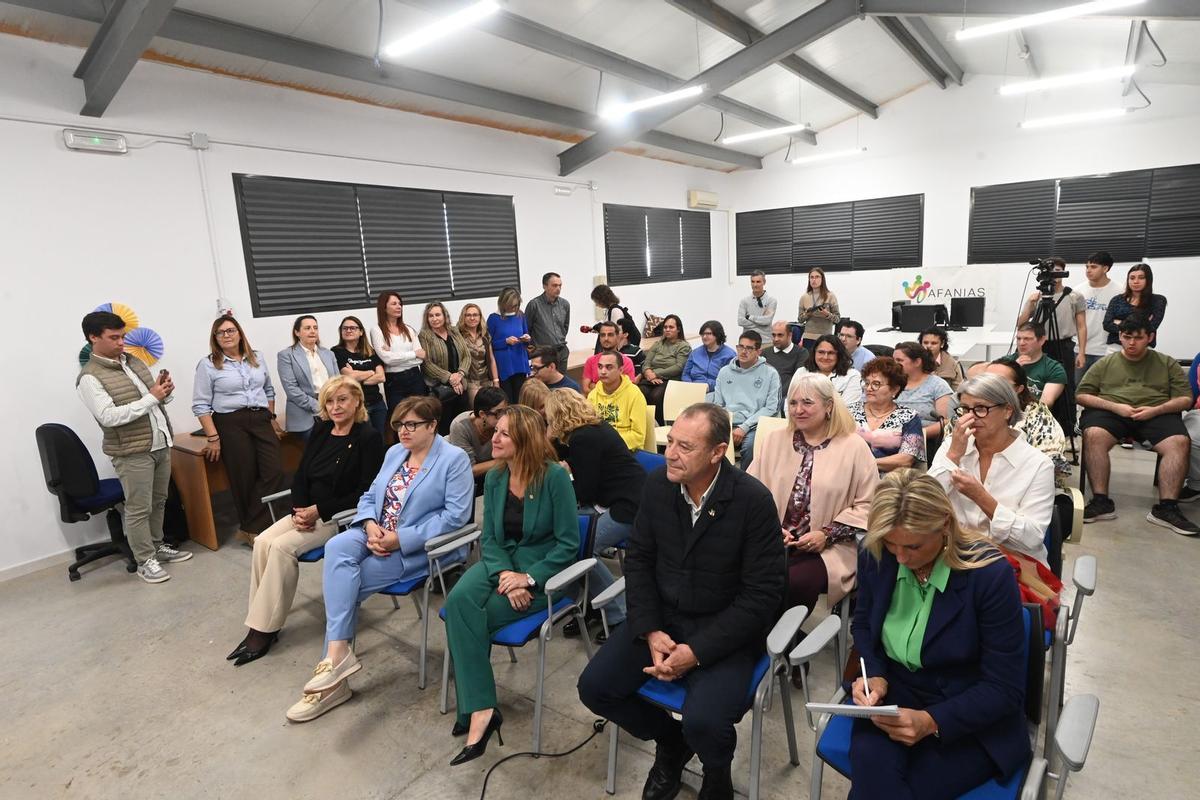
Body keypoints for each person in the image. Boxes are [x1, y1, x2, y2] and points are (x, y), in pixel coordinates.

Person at [577, 403, 785, 800]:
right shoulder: (658, 486)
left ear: (717, 452)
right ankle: (670, 743)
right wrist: (651, 628)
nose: (670, 452)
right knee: (595, 689)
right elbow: (638, 562)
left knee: (705, 722)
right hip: (663, 619)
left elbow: (762, 596)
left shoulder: (752, 502)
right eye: (670, 441)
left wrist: (697, 651)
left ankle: (717, 773)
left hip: (724, 631)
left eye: (685, 447)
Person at [286, 395, 472, 723]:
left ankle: (331, 679)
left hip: (421, 546)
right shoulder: (395, 452)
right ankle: (337, 660)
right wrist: (371, 525)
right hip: (377, 529)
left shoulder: (453, 459)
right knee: (338, 547)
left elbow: (455, 517)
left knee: (344, 586)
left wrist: (400, 538)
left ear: (432, 426)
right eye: (399, 424)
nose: (403, 431)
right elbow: (370, 495)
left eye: (412, 425)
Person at [848, 470, 1030, 800]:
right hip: (894, 696)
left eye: (913, 546)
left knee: (886, 791)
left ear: (945, 524)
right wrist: (873, 673)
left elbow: (1004, 687)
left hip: (969, 710)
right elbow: (862, 624)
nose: (900, 557)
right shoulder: (876, 553)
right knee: (876, 781)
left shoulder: (988, 574)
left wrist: (933, 721)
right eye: (891, 543)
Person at [443, 406, 578, 764]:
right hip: (499, 562)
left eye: (504, 433)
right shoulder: (495, 477)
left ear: (525, 440)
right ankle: (483, 708)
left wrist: (529, 579)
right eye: (496, 430)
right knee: (457, 603)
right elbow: (489, 537)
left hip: (543, 571)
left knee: (475, 618)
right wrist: (506, 575)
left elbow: (568, 545)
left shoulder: (554, 478)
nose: (495, 438)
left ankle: (478, 712)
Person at [230, 377, 383, 667]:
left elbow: (366, 492)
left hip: (336, 516)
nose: (335, 407)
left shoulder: (368, 438)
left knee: (281, 548)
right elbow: (300, 474)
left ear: (357, 402)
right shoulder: (323, 429)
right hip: (305, 510)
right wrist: (300, 507)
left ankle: (263, 630)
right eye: (330, 401)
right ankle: (261, 619)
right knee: (262, 541)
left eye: (342, 400)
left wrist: (318, 510)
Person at [748, 373, 877, 684]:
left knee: (792, 582)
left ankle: (780, 650)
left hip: (830, 547)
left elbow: (871, 505)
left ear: (829, 406)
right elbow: (752, 490)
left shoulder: (854, 447)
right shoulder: (775, 440)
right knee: (743, 572)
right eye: (792, 402)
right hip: (774, 539)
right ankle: (788, 647)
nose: (798, 409)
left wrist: (827, 533)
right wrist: (770, 526)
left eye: (807, 402)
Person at [77, 311, 192, 584]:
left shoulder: (133, 361)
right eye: (114, 338)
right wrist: (152, 398)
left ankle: (157, 546)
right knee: (139, 508)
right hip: (131, 451)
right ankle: (144, 560)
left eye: (123, 336)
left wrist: (164, 391)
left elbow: (153, 400)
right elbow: (109, 417)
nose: (121, 343)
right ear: (93, 338)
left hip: (159, 442)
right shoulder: (89, 377)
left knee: (159, 501)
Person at [1076, 315, 1198, 534]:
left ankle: (1167, 508)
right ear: (1120, 337)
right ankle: (1101, 501)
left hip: (1155, 412)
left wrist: (1157, 410)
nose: (1132, 343)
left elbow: (1185, 399)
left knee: (1179, 442)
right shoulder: (1106, 363)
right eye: (1127, 337)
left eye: (1138, 338)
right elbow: (1082, 395)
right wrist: (1115, 407)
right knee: (1093, 434)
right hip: (1113, 412)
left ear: (1150, 337)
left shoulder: (1166, 363)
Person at [545, 389, 647, 641]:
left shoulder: (584, 438)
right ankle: (591, 604)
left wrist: (562, 483)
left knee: (579, 549)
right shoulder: (589, 430)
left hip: (629, 506)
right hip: (614, 499)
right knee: (568, 541)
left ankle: (618, 613)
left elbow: (585, 490)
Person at [928, 374, 1055, 567]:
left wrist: (981, 497)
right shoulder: (954, 446)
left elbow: (1031, 538)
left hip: (1011, 562)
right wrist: (953, 456)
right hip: (954, 555)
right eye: (965, 410)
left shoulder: (1037, 464)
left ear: (1007, 411)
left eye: (980, 409)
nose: (970, 418)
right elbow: (924, 501)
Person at [193, 315, 285, 543]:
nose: (226, 335)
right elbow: (200, 404)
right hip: (231, 423)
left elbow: (269, 390)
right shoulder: (208, 364)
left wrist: (272, 418)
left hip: (261, 418)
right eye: (221, 332)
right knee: (243, 476)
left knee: (273, 471)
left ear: (239, 333)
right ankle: (256, 531)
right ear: (215, 338)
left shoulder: (257, 357)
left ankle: (249, 527)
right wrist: (213, 437)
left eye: (231, 330)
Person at [711, 331, 781, 468]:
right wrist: (726, 425)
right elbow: (718, 405)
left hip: (755, 425)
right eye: (740, 347)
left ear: (758, 351)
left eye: (749, 348)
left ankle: (744, 483)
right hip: (729, 422)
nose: (743, 351)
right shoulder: (724, 372)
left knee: (750, 447)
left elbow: (772, 408)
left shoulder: (770, 373)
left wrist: (744, 427)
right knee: (707, 440)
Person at [848, 357, 926, 472]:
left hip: (890, 483)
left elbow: (906, 459)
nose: (869, 388)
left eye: (876, 384)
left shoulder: (909, 417)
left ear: (894, 389)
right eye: (867, 383)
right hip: (850, 476)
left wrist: (866, 464)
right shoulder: (849, 412)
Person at [369, 291, 427, 440]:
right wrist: (412, 354)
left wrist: (398, 356)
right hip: (394, 381)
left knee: (421, 416)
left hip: (415, 377)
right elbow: (387, 359)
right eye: (394, 304)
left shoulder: (408, 329)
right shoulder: (377, 330)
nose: (399, 306)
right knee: (399, 421)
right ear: (384, 307)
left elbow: (421, 358)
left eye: (400, 303)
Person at [1016, 259, 1087, 373]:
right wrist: (1030, 303)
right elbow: (1020, 325)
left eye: (1057, 270)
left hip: (1064, 346)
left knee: (1065, 379)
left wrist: (1082, 352)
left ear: (1063, 272)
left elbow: (1081, 326)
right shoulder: (1037, 297)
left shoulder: (1074, 296)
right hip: (1038, 345)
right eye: (1051, 270)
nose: (1054, 273)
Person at [277, 315, 338, 440]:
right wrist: (321, 407)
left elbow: (338, 382)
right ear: (297, 332)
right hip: (305, 415)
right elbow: (292, 390)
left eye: (315, 328)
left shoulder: (328, 354)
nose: (312, 331)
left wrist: (332, 406)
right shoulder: (286, 355)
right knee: (320, 452)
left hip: (332, 408)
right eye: (307, 328)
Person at [419, 301, 470, 435]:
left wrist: (459, 374)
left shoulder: (454, 330)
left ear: (444, 316)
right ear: (427, 318)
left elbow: (466, 355)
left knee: (463, 424)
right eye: (431, 316)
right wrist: (450, 378)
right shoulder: (425, 335)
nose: (435, 319)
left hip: (461, 385)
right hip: (440, 390)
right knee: (445, 428)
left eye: (438, 315)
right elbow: (426, 364)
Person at [447, 386, 507, 498]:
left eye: (505, 411)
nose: (503, 416)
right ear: (482, 414)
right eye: (498, 412)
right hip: (464, 480)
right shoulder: (461, 426)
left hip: (492, 474)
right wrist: (503, 462)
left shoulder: (504, 424)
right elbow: (467, 470)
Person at [332, 315, 387, 437]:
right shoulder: (337, 352)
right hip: (357, 406)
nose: (348, 331)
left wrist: (358, 377)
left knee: (380, 439)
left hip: (377, 403)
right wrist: (370, 372)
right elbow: (348, 377)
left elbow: (381, 377)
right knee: (366, 441)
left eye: (353, 328)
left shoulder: (369, 351)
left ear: (361, 332)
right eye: (345, 328)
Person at [892, 341, 953, 445]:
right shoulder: (891, 383)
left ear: (917, 362)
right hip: (890, 437)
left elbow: (947, 422)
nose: (894, 364)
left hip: (926, 441)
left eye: (899, 360)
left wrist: (919, 434)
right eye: (893, 360)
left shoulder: (937, 385)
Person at [588, 352, 649, 451]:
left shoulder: (634, 394)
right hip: (600, 449)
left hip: (627, 451)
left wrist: (606, 443)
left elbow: (638, 436)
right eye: (600, 367)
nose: (603, 371)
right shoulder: (593, 395)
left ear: (620, 370)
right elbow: (589, 428)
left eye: (609, 367)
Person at [1074, 251, 1121, 379]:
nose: (1088, 270)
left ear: (1105, 268)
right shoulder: (1078, 291)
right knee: (1077, 389)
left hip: (1106, 350)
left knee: (1103, 389)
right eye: (1087, 267)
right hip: (1080, 350)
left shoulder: (1120, 291)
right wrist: (1081, 351)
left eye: (1093, 267)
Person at [1103, 262, 1167, 352]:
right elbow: (1107, 324)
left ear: (1148, 280)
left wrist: (1120, 322)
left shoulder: (1158, 300)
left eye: (1141, 278)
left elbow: (1151, 327)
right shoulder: (1117, 299)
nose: (1136, 281)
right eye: (1132, 278)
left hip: (1143, 348)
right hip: (1115, 348)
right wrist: (1142, 323)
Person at [639, 314, 691, 422]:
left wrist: (656, 374)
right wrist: (648, 373)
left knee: (656, 396)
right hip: (651, 379)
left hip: (670, 379)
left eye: (671, 327)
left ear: (678, 329)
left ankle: (660, 425)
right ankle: (644, 423)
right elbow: (646, 362)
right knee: (640, 392)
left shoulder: (683, 346)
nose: (667, 330)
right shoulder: (658, 344)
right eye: (665, 327)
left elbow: (679, 367)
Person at [1004, 322, 1067, 408]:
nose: (1021, 343)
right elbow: (992, 391)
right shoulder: (1005, 362)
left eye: (1027, 339)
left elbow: (1045, 403)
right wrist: (1013, 370)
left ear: (1041, 340)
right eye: (1018, 339)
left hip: (1033, 416)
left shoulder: (1054, 369)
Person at [792, 334, 862, 407]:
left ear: (839, 355)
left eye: (831, 353)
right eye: (821, 352)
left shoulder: (852, 376)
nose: (825, 357)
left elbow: (849, 408)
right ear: (814, 353)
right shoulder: (801, 372)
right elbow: (790, 402)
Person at [488, 287, 532, 403]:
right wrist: (505, 342)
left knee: (521, 398)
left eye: (516, 305)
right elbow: (489, 345)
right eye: (511, 305)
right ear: (503, 303)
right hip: (504, 366)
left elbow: (526, 333)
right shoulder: (493, 318)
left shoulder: (520, 315)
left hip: (520, 363)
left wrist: (526, 338)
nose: (513, 308)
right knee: (508, 400)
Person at [456, 302, 501, 405]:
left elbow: (491, 358)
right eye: (468, 315)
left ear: (480, 317)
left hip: (486, 379)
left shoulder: (485, 335)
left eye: (475, 315)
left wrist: (496, 380)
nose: (472, 318)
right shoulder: (459, 336)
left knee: (491, 408)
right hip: (470, 381)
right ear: (463, 317)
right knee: (476, 409)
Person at [524, 271, 571, 368]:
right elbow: (526, 328)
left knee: (562, 381)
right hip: (543, 354)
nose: (558, 288)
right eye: (554, 285)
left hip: (561, 351)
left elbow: (565, 327)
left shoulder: (565, 304)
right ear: (544, 286)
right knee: (544, 383)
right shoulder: (534, 305)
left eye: (560, 285)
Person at [581, 321, 635, 395]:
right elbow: (586, 388)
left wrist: (593, 385)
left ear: (617, 336)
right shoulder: (590, 361)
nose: (606, 338)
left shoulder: (626, 362)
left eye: (610, 335)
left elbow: (627, 390)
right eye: (602, 335)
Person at [764, 320, 809, 410]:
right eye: (773, 335)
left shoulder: (801, 353)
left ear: (790, 335)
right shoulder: (765, 353)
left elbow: (798, 381)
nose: (776, 339)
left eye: (780, 335)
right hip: (765, 399)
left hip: (788, 401)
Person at [681, 320, 736, 392]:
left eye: (708, 334)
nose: (704, 337)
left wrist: (710, 387)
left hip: (715, 391)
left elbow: (729, 380)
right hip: (692, 388)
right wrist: (689, 384)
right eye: (702, 334)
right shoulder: (695, 352)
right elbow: (685, 374)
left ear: (717, 334)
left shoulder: (730, 355)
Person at [797, 267, 839, 352]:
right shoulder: (804, 297)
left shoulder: (830, 296)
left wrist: (827, 314)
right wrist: (808, 314)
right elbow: (800, 319)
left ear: (822, 279)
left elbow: (837, 319)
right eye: (811, 277)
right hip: (808, 337)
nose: (814, 280)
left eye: (817, 277)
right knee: (809, 363)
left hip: (825, 337)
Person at [590, 284, 638, 352]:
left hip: (622, 349)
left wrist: (600, 329)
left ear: (602, 299)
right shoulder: (609, 310)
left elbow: (615, 333)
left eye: (596, 302)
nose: (596, 305)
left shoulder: (615, 311)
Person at [737, 269, 776, 341]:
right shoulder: (744, 301)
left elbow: (767, 321)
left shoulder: (771, 301)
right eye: (752, 282)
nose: (755, 285)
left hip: (766, 340)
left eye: (758, 282)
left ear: (764, 282)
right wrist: (760, 322)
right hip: (748, 341)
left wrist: (749, 317)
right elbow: (740, 321)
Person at [920, 327, 961, 391]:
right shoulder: (913, 362)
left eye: (934, 343)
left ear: (942, 344)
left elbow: (958, 391)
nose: (929, 346)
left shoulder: (953, 364)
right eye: (925, 343)